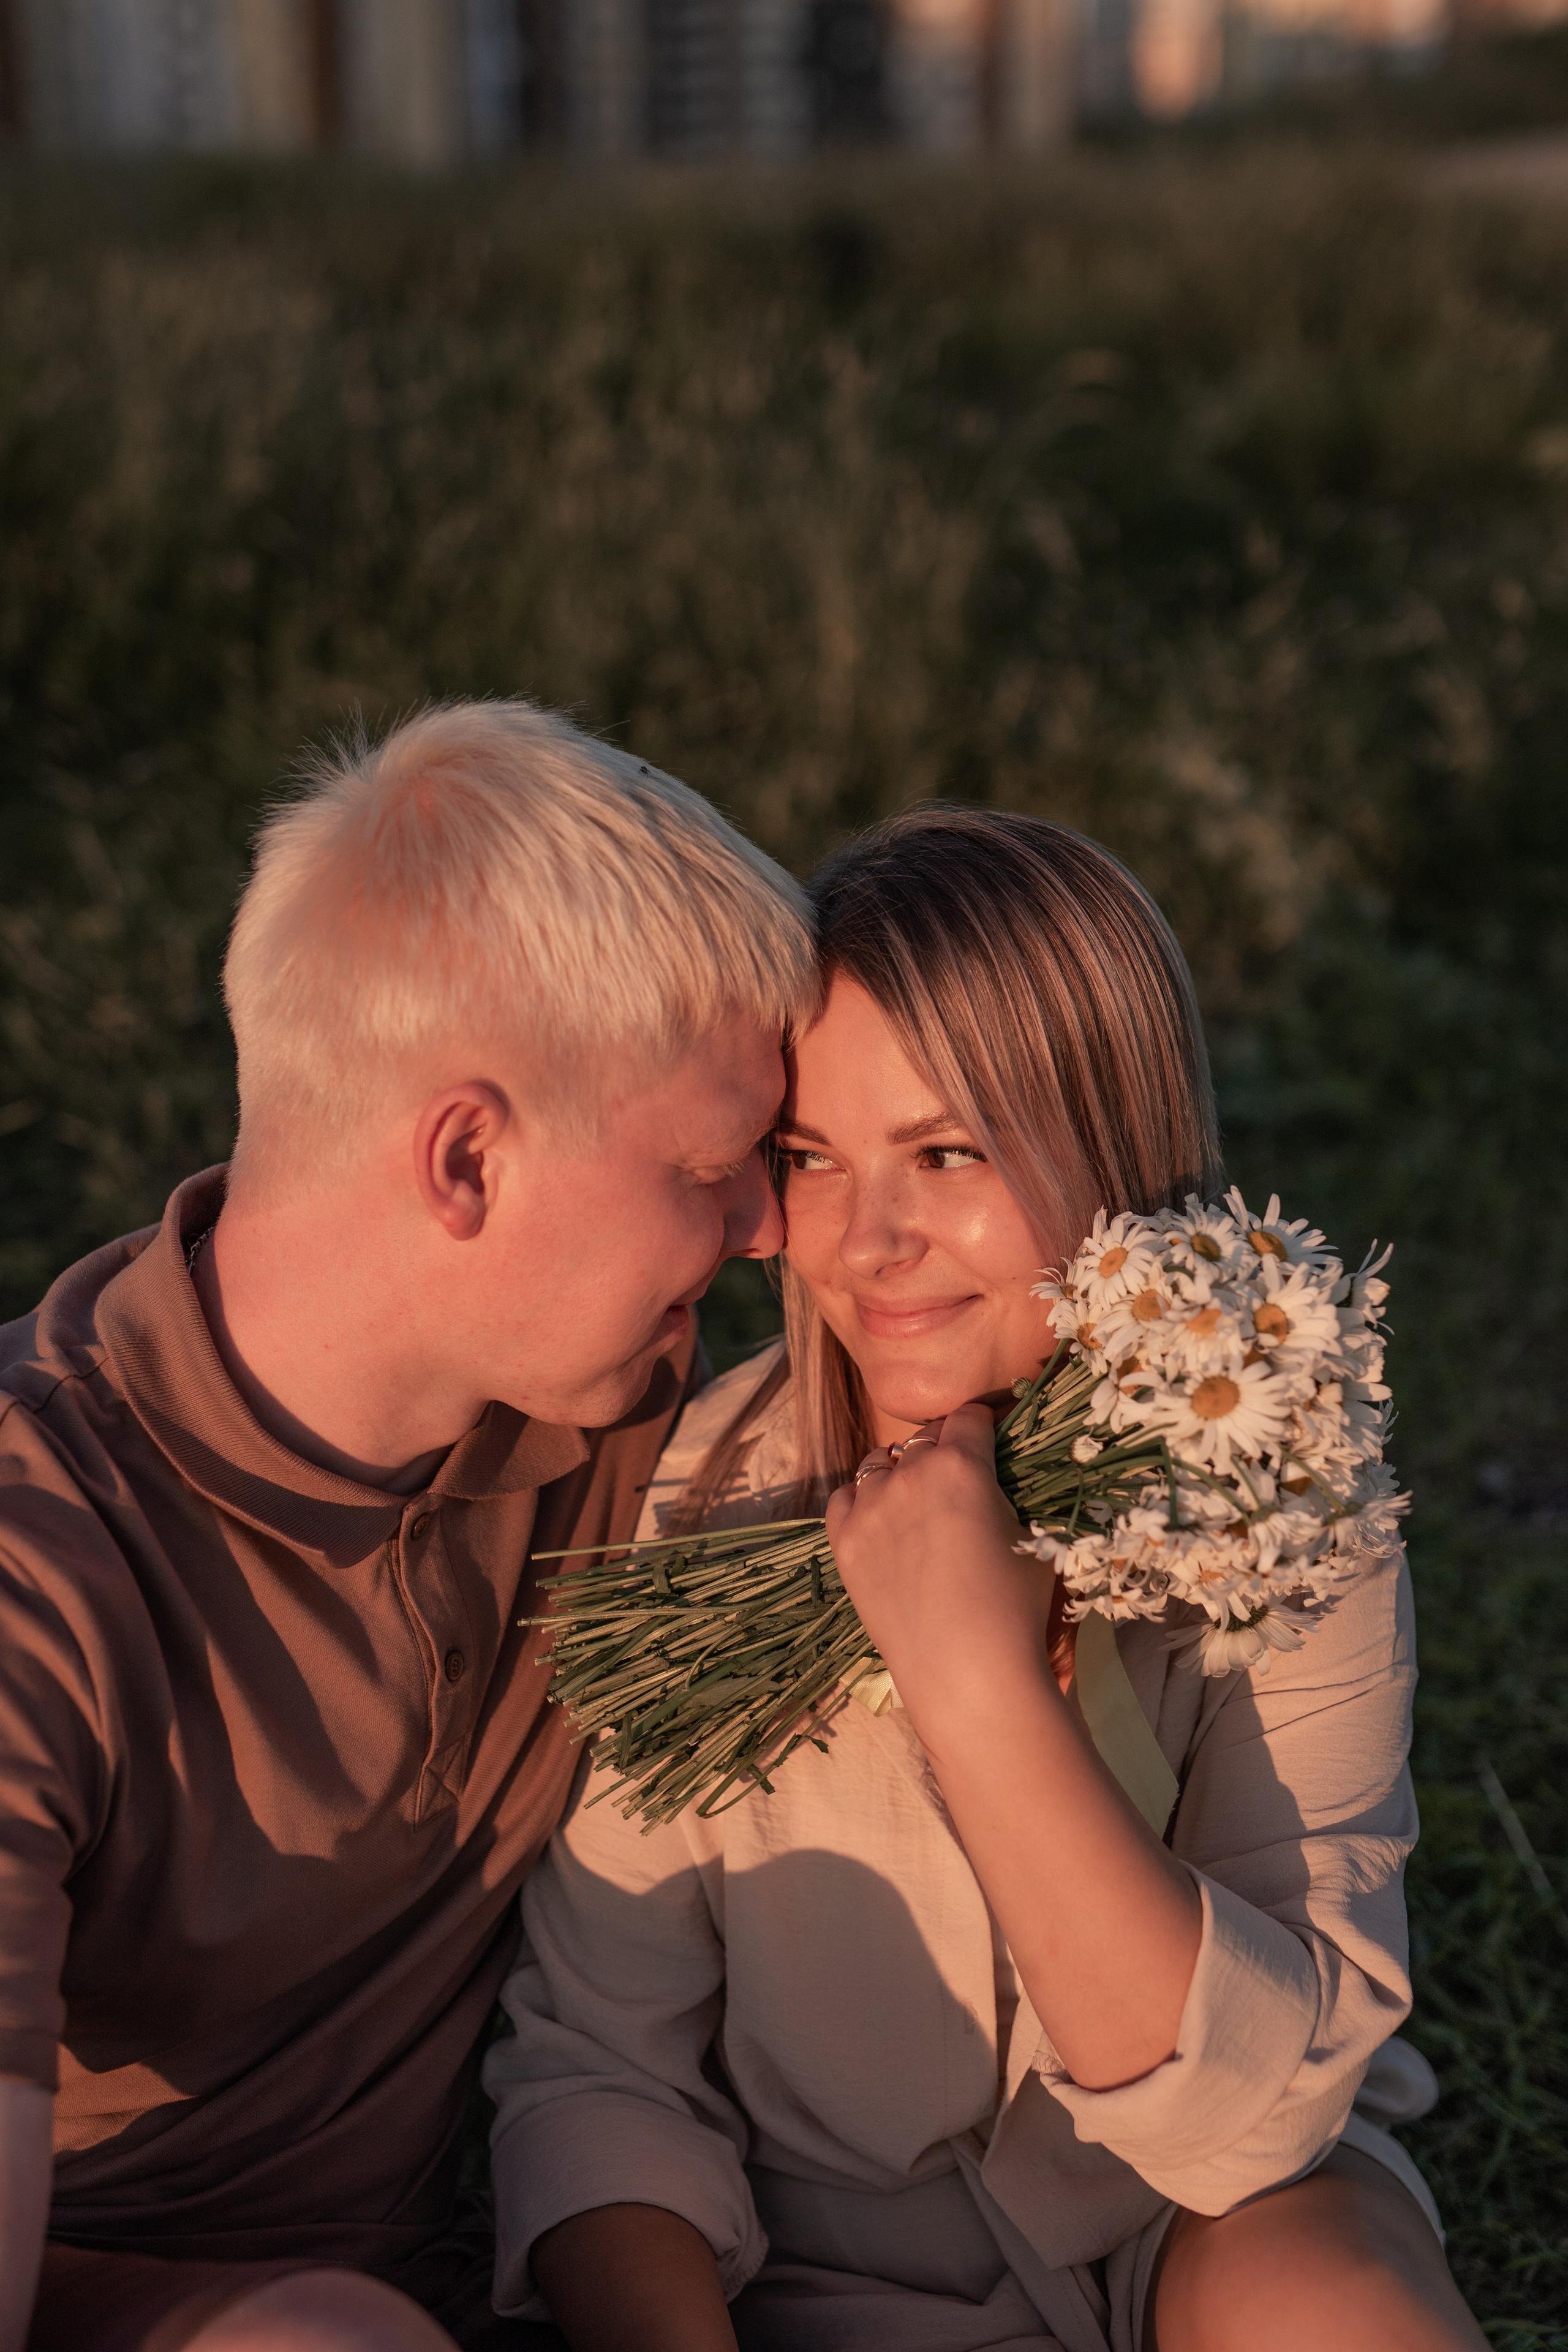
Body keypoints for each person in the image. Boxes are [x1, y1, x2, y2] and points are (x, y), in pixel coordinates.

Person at [484, 807, 1488, 2352]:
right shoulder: (695, 1512)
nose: (871, 1241)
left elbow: (1242, 2134)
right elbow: (600, 2075)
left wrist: (975, 1681)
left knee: (1320, 2298)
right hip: (825, 2272)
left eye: (947, 1151)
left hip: (1205, 2220)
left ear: (1116, 1142)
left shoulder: (1281, 1482)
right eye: (813, 1160)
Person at [0, 699, 818, 2352]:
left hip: (459, 2247)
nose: (771, 1228)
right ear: (468, 1157)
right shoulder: (38, 1565)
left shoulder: (620, 1418)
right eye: (718, 1166)